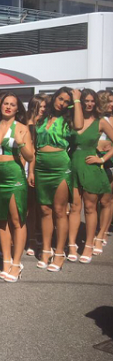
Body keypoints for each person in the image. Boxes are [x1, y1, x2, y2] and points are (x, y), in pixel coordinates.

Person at [30, 87, 83, 272]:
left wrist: (77, 100)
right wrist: (31, 171)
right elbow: (34, 146)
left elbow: (79, 125)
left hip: (61, 167)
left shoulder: (68, 119)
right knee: (44, 210)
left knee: (60, 211)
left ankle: (59, 252)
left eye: (66, 101)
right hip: (41, 167)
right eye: (61, 99)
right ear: (54, 98)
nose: (62, 103)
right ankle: (46, 249)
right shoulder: (42, 118)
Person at [66, 89, 113, 263]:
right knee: (74, 207)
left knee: (90, 208)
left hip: (90, 166)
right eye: (85, 100)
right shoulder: (72, 120)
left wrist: (101, 158)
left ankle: (89, 245)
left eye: (92, 101)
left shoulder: (100, 122)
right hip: (72, 165)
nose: (89, 104)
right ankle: (71, 244)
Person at [0, 94, 34, 282]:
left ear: (18, 109)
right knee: (1, 221)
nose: (8, 107)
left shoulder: (22, 128)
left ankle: (17, 263)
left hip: (14, 176)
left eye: (12, 105)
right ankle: (6, 261)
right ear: (0, 106)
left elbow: (30, 156)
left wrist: (21, 143)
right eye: (6, 104)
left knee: (17, 220)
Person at [25, 94, 48, 256]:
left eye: (45, 107)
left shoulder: (46, 123)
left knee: (44, 206)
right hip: (27, 165)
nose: (42, 110)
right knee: (30, 206)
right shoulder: (25, 122)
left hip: (44, 165)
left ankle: (40, 236)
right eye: (39, 106)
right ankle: (31, 239)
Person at [94, 90, 113, 255]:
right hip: (92, 163)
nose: (112, 105)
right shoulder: (94, 119)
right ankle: (97, 231)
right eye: (109, 101)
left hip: (108, 163)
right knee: (93, 203)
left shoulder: (109, 120)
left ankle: (102, 233)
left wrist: (105, 152)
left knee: (107, 200)